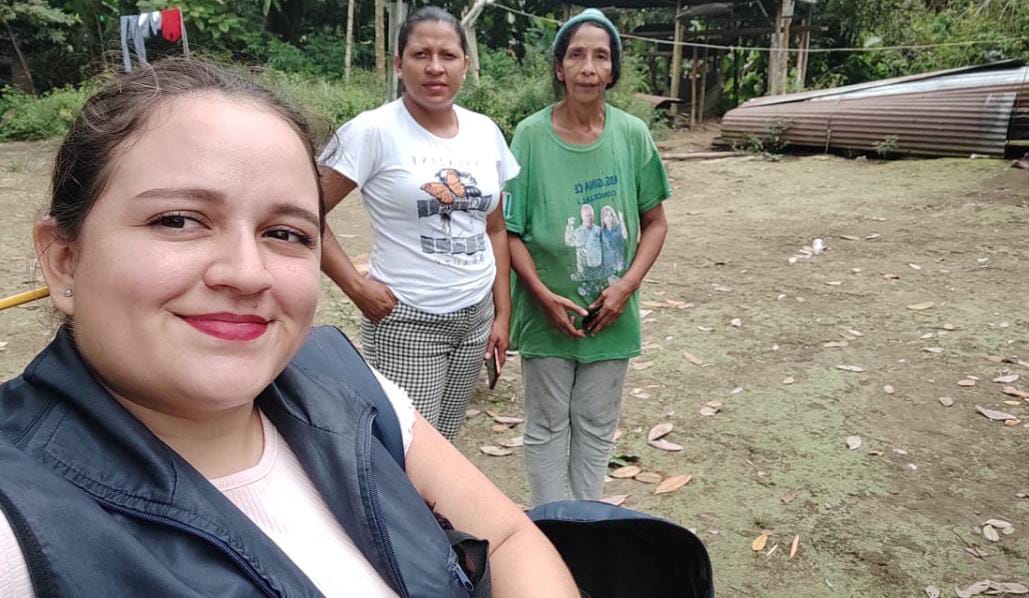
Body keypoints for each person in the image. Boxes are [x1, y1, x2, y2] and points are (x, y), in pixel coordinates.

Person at [0, 58, 579, 597]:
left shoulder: (344, 381)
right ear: (65, 260)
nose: (247, 274)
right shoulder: (21, 525)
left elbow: (509, 538)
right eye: (178, 220)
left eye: (285, 233)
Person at [318, 6, 517, 440]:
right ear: (398, 63)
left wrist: (502, 314)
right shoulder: (372, 131)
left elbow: (495, 228)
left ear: (465, 63)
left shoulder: (485, 132)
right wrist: (356, 288)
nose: (435, 67)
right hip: (408, 320)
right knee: (407, 447)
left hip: (475, 316)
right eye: (420, 54)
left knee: (445, 441)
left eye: (448, 55)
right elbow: (302, 213)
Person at [505, 9, 671, 506]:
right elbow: (509, 233)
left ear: (613, 70)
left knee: (596, 426)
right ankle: (552, 528)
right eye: (576, 55)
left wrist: (625, 287)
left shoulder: (632, 135)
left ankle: (587, 529)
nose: (588, 67)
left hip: (611, 316)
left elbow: (655, 223)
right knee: (546, 425)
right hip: (546, 315)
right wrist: (541, 294)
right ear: (559, 68)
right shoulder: (529, 136)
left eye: (601, 56)